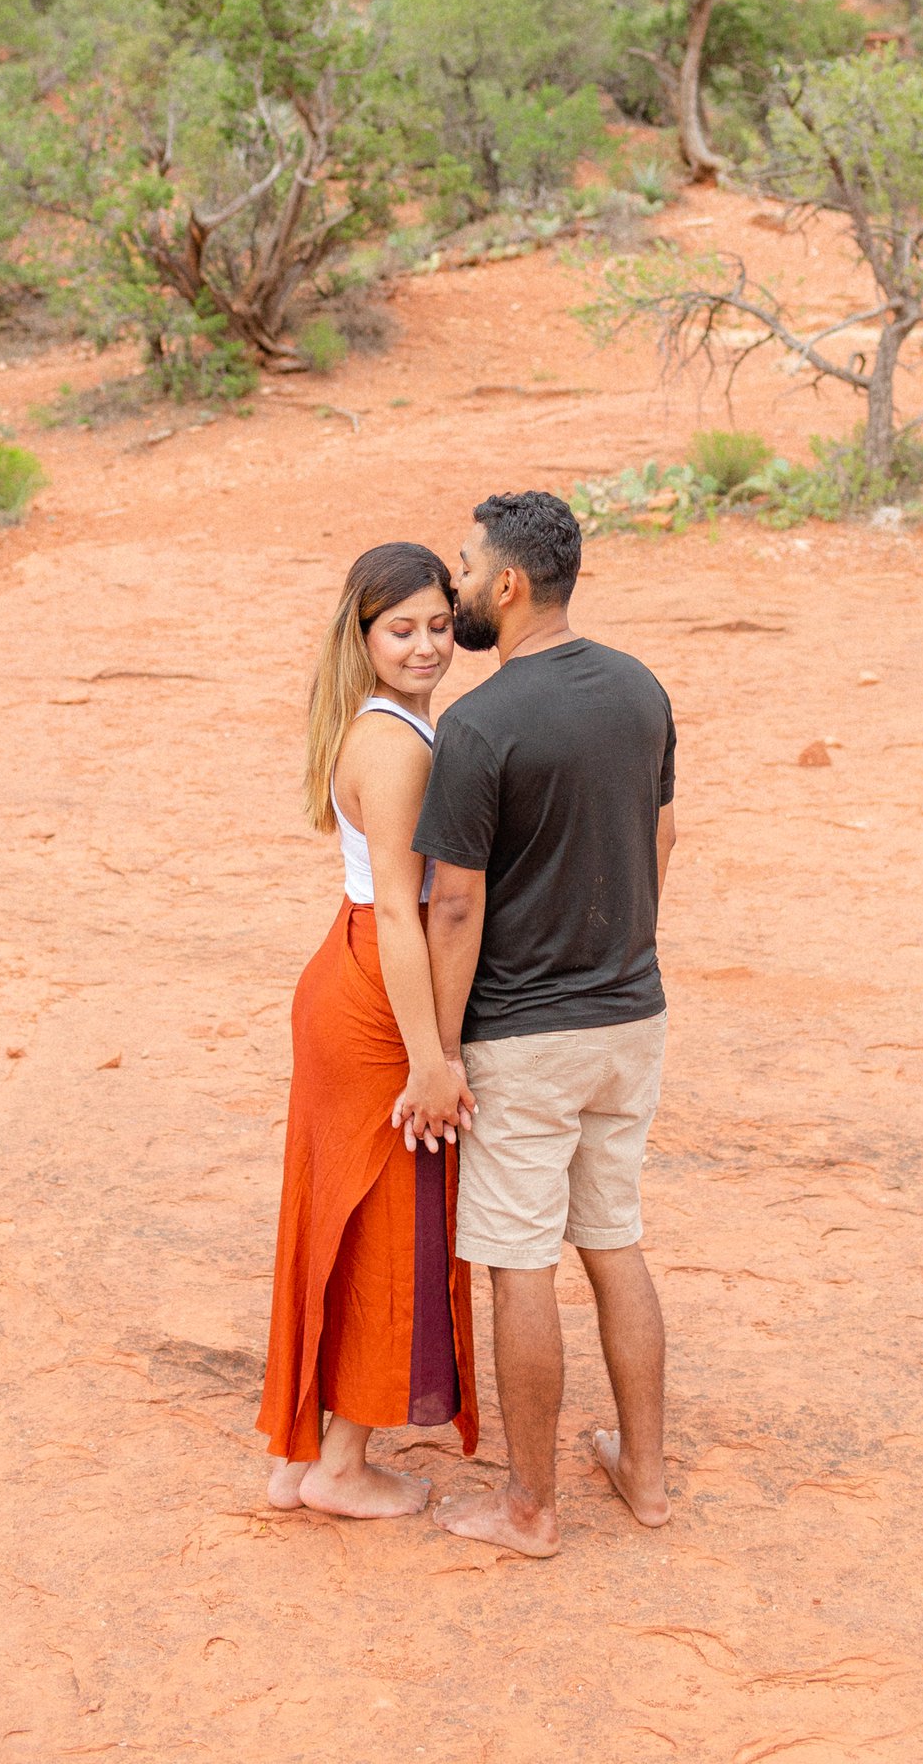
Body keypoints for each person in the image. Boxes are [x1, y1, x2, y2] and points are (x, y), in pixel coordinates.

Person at [403, 489, 676, 1557]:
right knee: (614, 1242)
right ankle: (644, 1476)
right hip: (630, 1016)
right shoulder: (640, 688)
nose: (459, 582)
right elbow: (662, 838)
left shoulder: (480, 724)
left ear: (509, 583)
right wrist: (619, 955)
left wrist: (441, 1048)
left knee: (520, 1262)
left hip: (524, 1031)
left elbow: (455, 905)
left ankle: (529, 1507)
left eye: (469, 568)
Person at [258, 543, 479, 1517]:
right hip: (379, 993)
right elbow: (399, 908)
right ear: (363, 635)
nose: (425, 645)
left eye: (439, 625)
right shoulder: (395, 747)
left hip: (353, 975)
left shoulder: (384, 724)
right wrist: (431, 1058)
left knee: (337, 1213)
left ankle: (298, 1453)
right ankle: (339, 1468)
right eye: (402, 630)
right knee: (388, 1218)